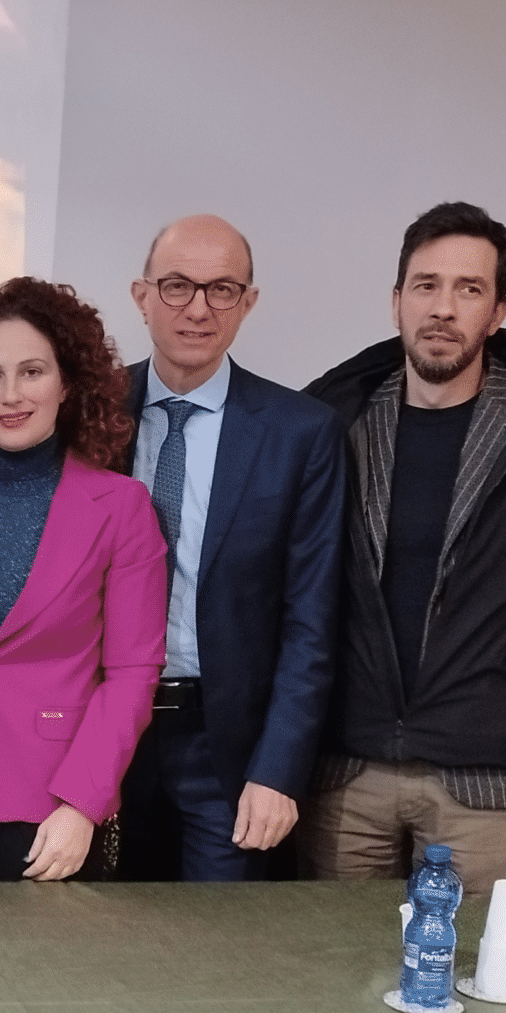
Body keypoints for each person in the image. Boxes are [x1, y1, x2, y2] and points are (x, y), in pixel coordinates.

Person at [299, 202, 506, 895]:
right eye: (426, 286)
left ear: (498, 311)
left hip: (484, 779)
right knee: (327, 978)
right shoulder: (335, 426)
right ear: (396, 302)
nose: (443, 308)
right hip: (347, 770)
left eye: (468, 289)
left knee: (470, 983)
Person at [111, 215, 345, 880]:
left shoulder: (301, 433)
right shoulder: (88, 412)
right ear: (142, 294)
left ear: (249, 302)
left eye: (222, 290)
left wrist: (279, 769)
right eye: (178, 285)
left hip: (228, 748)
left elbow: (313, 621)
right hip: (104, 731)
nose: (197, 308)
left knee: (213, 958)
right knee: (94, 942)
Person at [0, 279, 165, 881]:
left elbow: (132, 675)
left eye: (31, 372)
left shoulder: (120, 507)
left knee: (41, 972)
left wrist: (83, 805)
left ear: (67, 383)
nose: (9, 395)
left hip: (54, 796)